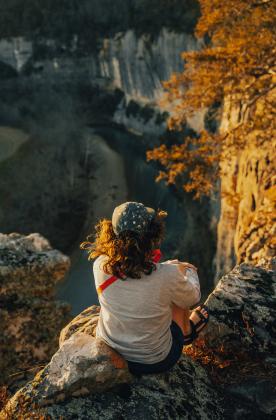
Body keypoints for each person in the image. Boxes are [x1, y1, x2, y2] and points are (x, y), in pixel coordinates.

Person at [81, 202, 209, 375]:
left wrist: (168, 269)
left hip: (111, 350)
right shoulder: (167, 275)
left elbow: (136, 277)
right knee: (179, 290)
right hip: (154, 360)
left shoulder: (100, 265)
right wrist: (186, 271)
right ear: (152, 236)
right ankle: (186, 331)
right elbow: (192, 298)